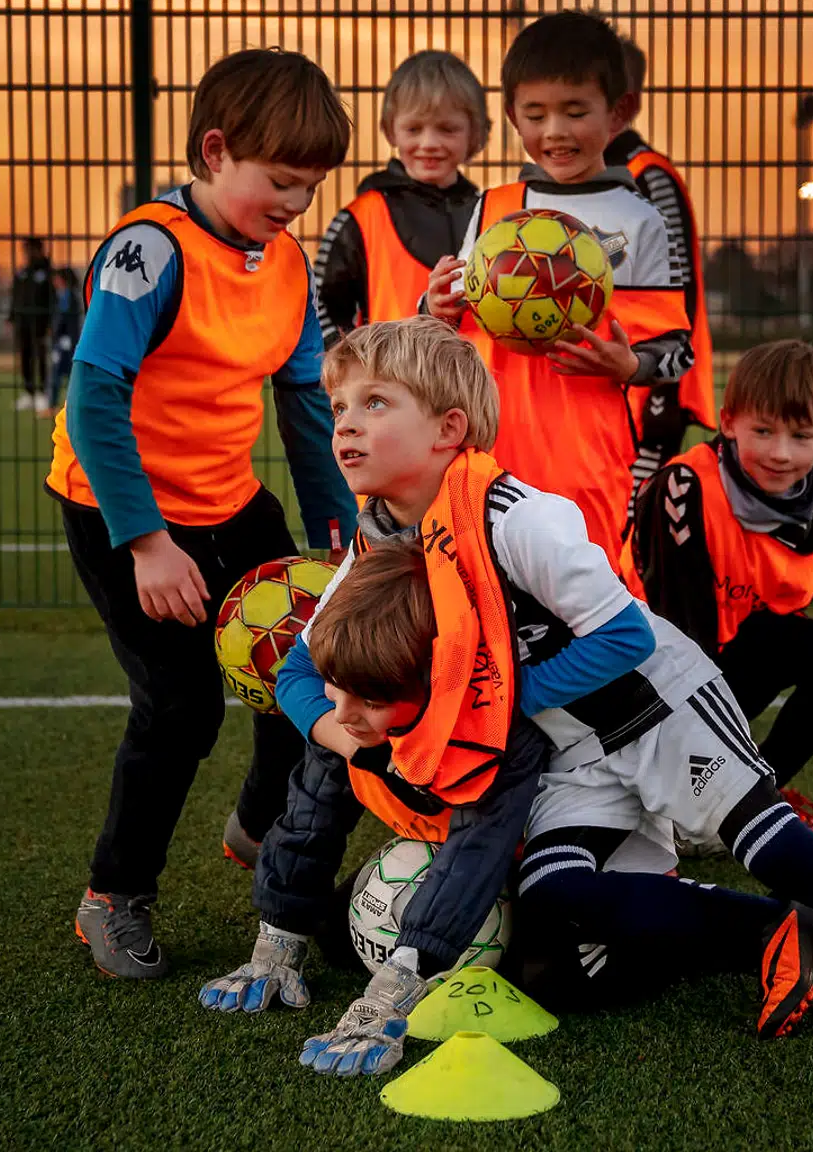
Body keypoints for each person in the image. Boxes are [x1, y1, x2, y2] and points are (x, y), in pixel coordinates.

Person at [198, 317, 813, 1071]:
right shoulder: (383, 533)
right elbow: (305, 672)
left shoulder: (517, 516)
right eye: (341, 406)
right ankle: (772, 931)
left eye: (375, 404)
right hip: (565, 747)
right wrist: (344, 739)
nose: (346, 423)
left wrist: (497, 696)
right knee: (554, 896)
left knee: (776, 846)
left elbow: (625, 637)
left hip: (655, 710)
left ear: (448, 430)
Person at [46, 47, 356, 979]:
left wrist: (337, 530)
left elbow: (305, 402)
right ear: (215, 151)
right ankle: (114, 896)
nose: (296, 203)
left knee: (304, 671)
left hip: (229, 498)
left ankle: (261, 828)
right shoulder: (148, 251)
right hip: (120, 507)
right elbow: (96, 398)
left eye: (309, 187)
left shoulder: (289, 261)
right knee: (180, 709)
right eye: (280, 181)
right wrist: (146, 543)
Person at [425, 10, 693, 566]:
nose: (555, 132)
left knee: (583, 594)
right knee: (486, 588)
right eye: (536, 114)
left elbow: (677, 351)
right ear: (513, 117)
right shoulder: (493, 209)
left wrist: (631, 365)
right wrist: (437, 307)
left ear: (617, 113)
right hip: (489, 442)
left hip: (588, 453)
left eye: (575, 112)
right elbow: (455, 326)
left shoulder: (639, 220)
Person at [621, 341, 813, 839]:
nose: (781, 453)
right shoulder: (683, 485)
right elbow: (682, 639)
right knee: (696, 659)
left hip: (724, 656)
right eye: (763, 431)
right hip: (638, 675)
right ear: (728, 422)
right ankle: (696, 808)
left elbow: (780, 620)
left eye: (801, 436)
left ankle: (756, 800)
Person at [312, 50, 488, 342]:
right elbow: (322, 307)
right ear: (390, 131)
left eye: (447, 129)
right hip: (387, 384)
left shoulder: (488, 213)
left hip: (475, 384)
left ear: (475, 134)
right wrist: (352, 367)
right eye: (414, 129)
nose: (429, 143)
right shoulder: (362, 217)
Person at [605, 35, 716, 497]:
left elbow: (678, 289)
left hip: (653, 389)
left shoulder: (647, 175)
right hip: (618, 386)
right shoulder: (600, 178)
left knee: (633, 530)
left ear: (622, 105)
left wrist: (664, 384)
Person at [9, 237, 54, 410]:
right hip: (23, 322)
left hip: (40, 322)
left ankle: (43, 393)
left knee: (40, 356)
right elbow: (15, 296)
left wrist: (51, 322)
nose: (27, 254)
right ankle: (29, 392)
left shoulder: (47, 272)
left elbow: (52, 299)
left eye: (29, 250)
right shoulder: (22, 272)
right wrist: (11, 317)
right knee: (25, 357)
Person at [36, 267, 82, 418]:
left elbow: (67, 320)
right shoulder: (65, 296)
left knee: (58, 374)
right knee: (66, 374)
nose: (54, 281)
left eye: (56, 278)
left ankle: (53, 406)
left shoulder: (68, 297)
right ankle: (63, 404)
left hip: (65, 343)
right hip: (65, 342)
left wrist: (60, 335)